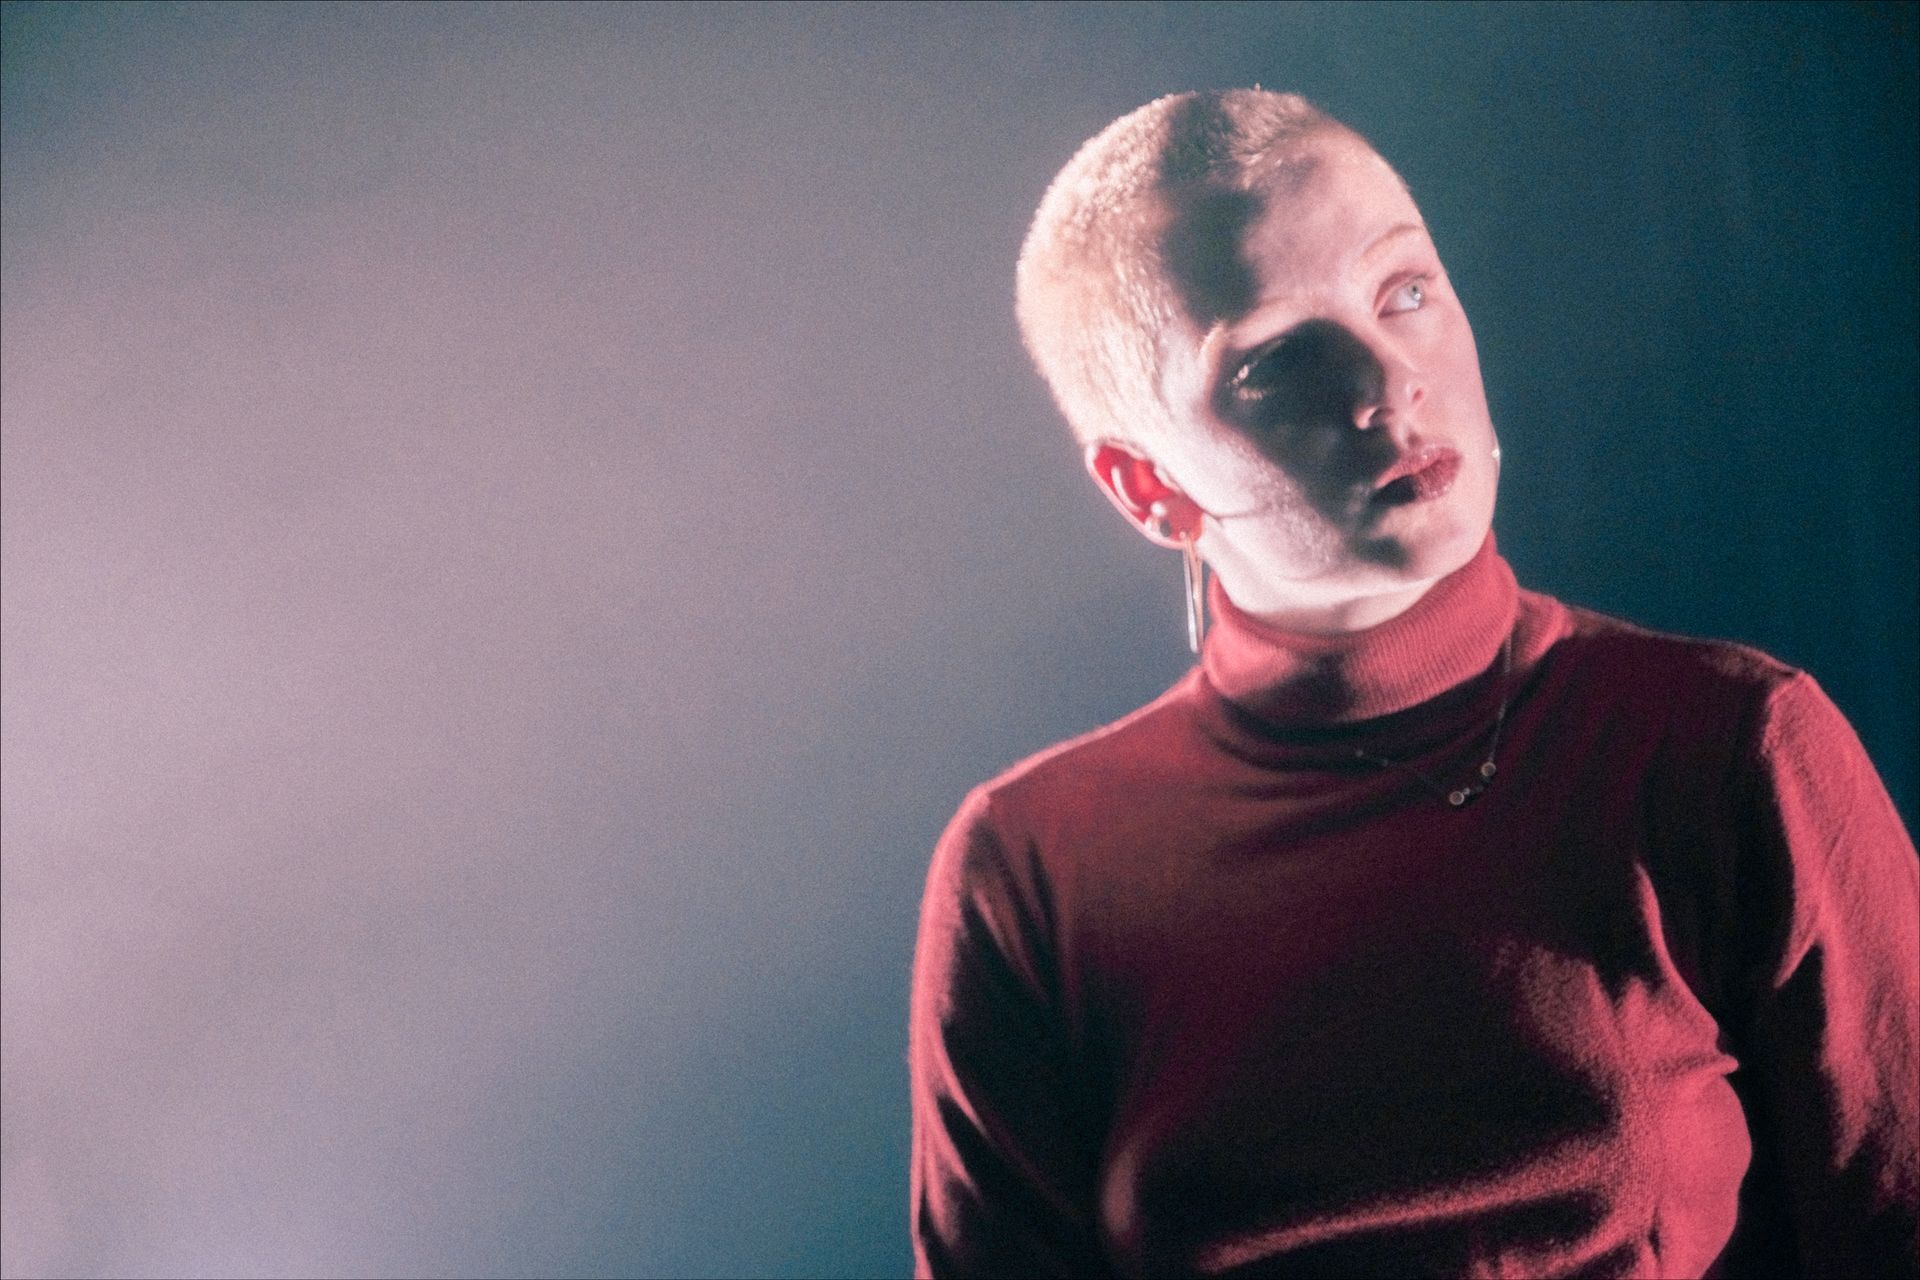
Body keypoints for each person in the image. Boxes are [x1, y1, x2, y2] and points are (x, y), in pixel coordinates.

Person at [908, 90, 1918, 1279]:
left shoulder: (1730, 742)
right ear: (1146, 486)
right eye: (1281, 359)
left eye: (1405, 293)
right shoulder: (1030, 865)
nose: (1388, 382)